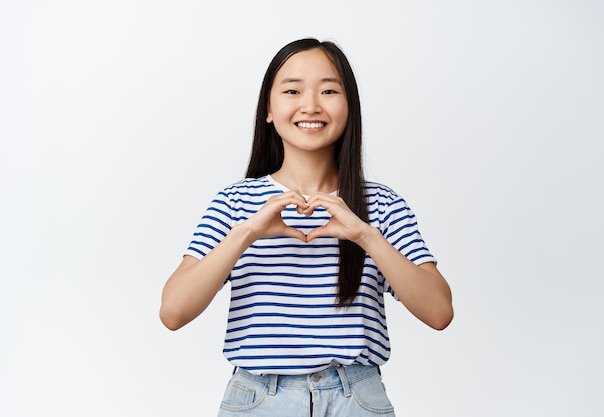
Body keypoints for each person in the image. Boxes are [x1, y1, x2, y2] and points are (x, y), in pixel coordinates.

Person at [159, 38, 453, 417]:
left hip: (357, 398)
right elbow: (173, 312)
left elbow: (440, 312)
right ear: (269, 108)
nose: (311, 106)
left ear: (350, 107)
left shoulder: (380, 204)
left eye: (329, 90)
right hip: (258, 399)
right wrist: (246, 233)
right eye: (293, 90)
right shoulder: (234, 204)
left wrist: (365, 235)